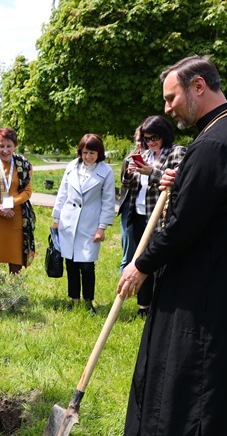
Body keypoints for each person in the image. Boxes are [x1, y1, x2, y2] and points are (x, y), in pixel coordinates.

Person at [116, 56, 227, 436]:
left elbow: (184, 226)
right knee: (210, 357)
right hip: (221, 260)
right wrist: (183, 182)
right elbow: (210, 198)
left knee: (185, 356)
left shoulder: (215, 142)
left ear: (198, 86)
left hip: (203, 268)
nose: (168, 108)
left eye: (171, 97)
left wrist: (140, 265)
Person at [121, 115, 186, 317]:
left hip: (161, 219)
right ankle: (144, 306)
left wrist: (152, 172)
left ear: (164, 134)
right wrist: (129, 173)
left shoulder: (177, 152)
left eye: (154, 137)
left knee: (159, 263)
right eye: (146, 138)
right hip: (139, 216)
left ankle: (162, 307)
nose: (150, 142)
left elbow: (179, 182)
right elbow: (129, 186)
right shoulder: (144, 154)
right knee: (140, 260)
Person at [51, 134, 115, 315]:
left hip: (90, 224)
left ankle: (88, 301)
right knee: (71, 264)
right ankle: (74, 299)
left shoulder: (106, 171)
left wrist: (102, 227)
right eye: (85, 152)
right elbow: (62, 193)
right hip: (68, 222)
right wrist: (56, 218)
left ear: (99, 153)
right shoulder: (72, 166)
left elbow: (108, 201)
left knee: (87, 266)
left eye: (92, 153)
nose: (88, 156)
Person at [0, 127, 36, 291]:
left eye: (9, 146)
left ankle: (13, 292)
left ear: (15, 146)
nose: (5, 150)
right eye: (1, 146)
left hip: (15, 215)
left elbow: (27, 192)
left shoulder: (23, 164)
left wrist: (9, 205)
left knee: (15, 256)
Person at [116, 128, 142, 273]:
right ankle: (124, 284)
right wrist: (130, 173)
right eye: (138, 139)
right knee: (129, 252)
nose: (141, 143)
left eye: (145, 139)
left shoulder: (159, 159)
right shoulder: (128, 160)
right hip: (129, 208)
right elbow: (124, 185)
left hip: (148, 209)